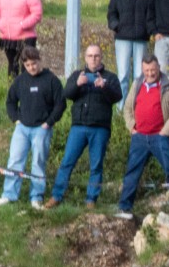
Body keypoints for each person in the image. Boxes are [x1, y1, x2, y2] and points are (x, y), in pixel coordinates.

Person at [46, 45, 123, 210]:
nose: (93, 59)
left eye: (96, 56)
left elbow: (117, 97)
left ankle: (91, 200)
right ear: (85, 57)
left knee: (96, 166)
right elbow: (66, 94)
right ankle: (56, 196)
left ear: (101, 57)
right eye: (90, 56)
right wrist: (77, 84)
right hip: (79, 127)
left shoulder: (110, 77)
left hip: (100, 128)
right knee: (67, 162)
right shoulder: (77, 75)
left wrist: (104, 86)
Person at [116, 55, 169, 219]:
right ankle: (124, 206)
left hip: (161, 137)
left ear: (158, 68)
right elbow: (127, 108)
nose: (150, 73)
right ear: (142, 69)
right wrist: (131, 127)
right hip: (139, 137)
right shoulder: (137, 84)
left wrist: (165, 131)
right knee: (132, 172)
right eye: (147, 70)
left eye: (153, 70)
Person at [0, 46, 64, 210]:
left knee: (38, 163)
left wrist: (49, 122)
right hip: (22, 128)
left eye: (34, 64)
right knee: (15, 161)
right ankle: (9, 194)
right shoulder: (20, 80)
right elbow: (10, 101)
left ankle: (36, 197)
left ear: (40, 60)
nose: (31, 68)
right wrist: (16, 119)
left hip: (42, 128)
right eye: (27, 65)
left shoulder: (51, 80)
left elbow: (60, 104)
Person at [108, 0, 152, 105]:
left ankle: (137, 107)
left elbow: (151, 15)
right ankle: (121, 108)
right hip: (123, 39)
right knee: (123, 75)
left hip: (141, 39)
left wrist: (147, 30)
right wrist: (117, 26)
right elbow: (111, 14)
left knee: (139, 76)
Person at [0, 0, 43, 79]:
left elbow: (37, 15)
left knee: (27, 65)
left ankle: (27, 86)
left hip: (25, 37)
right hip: (7, 37)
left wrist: (22, 25)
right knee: (12, 65)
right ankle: (12, 87)